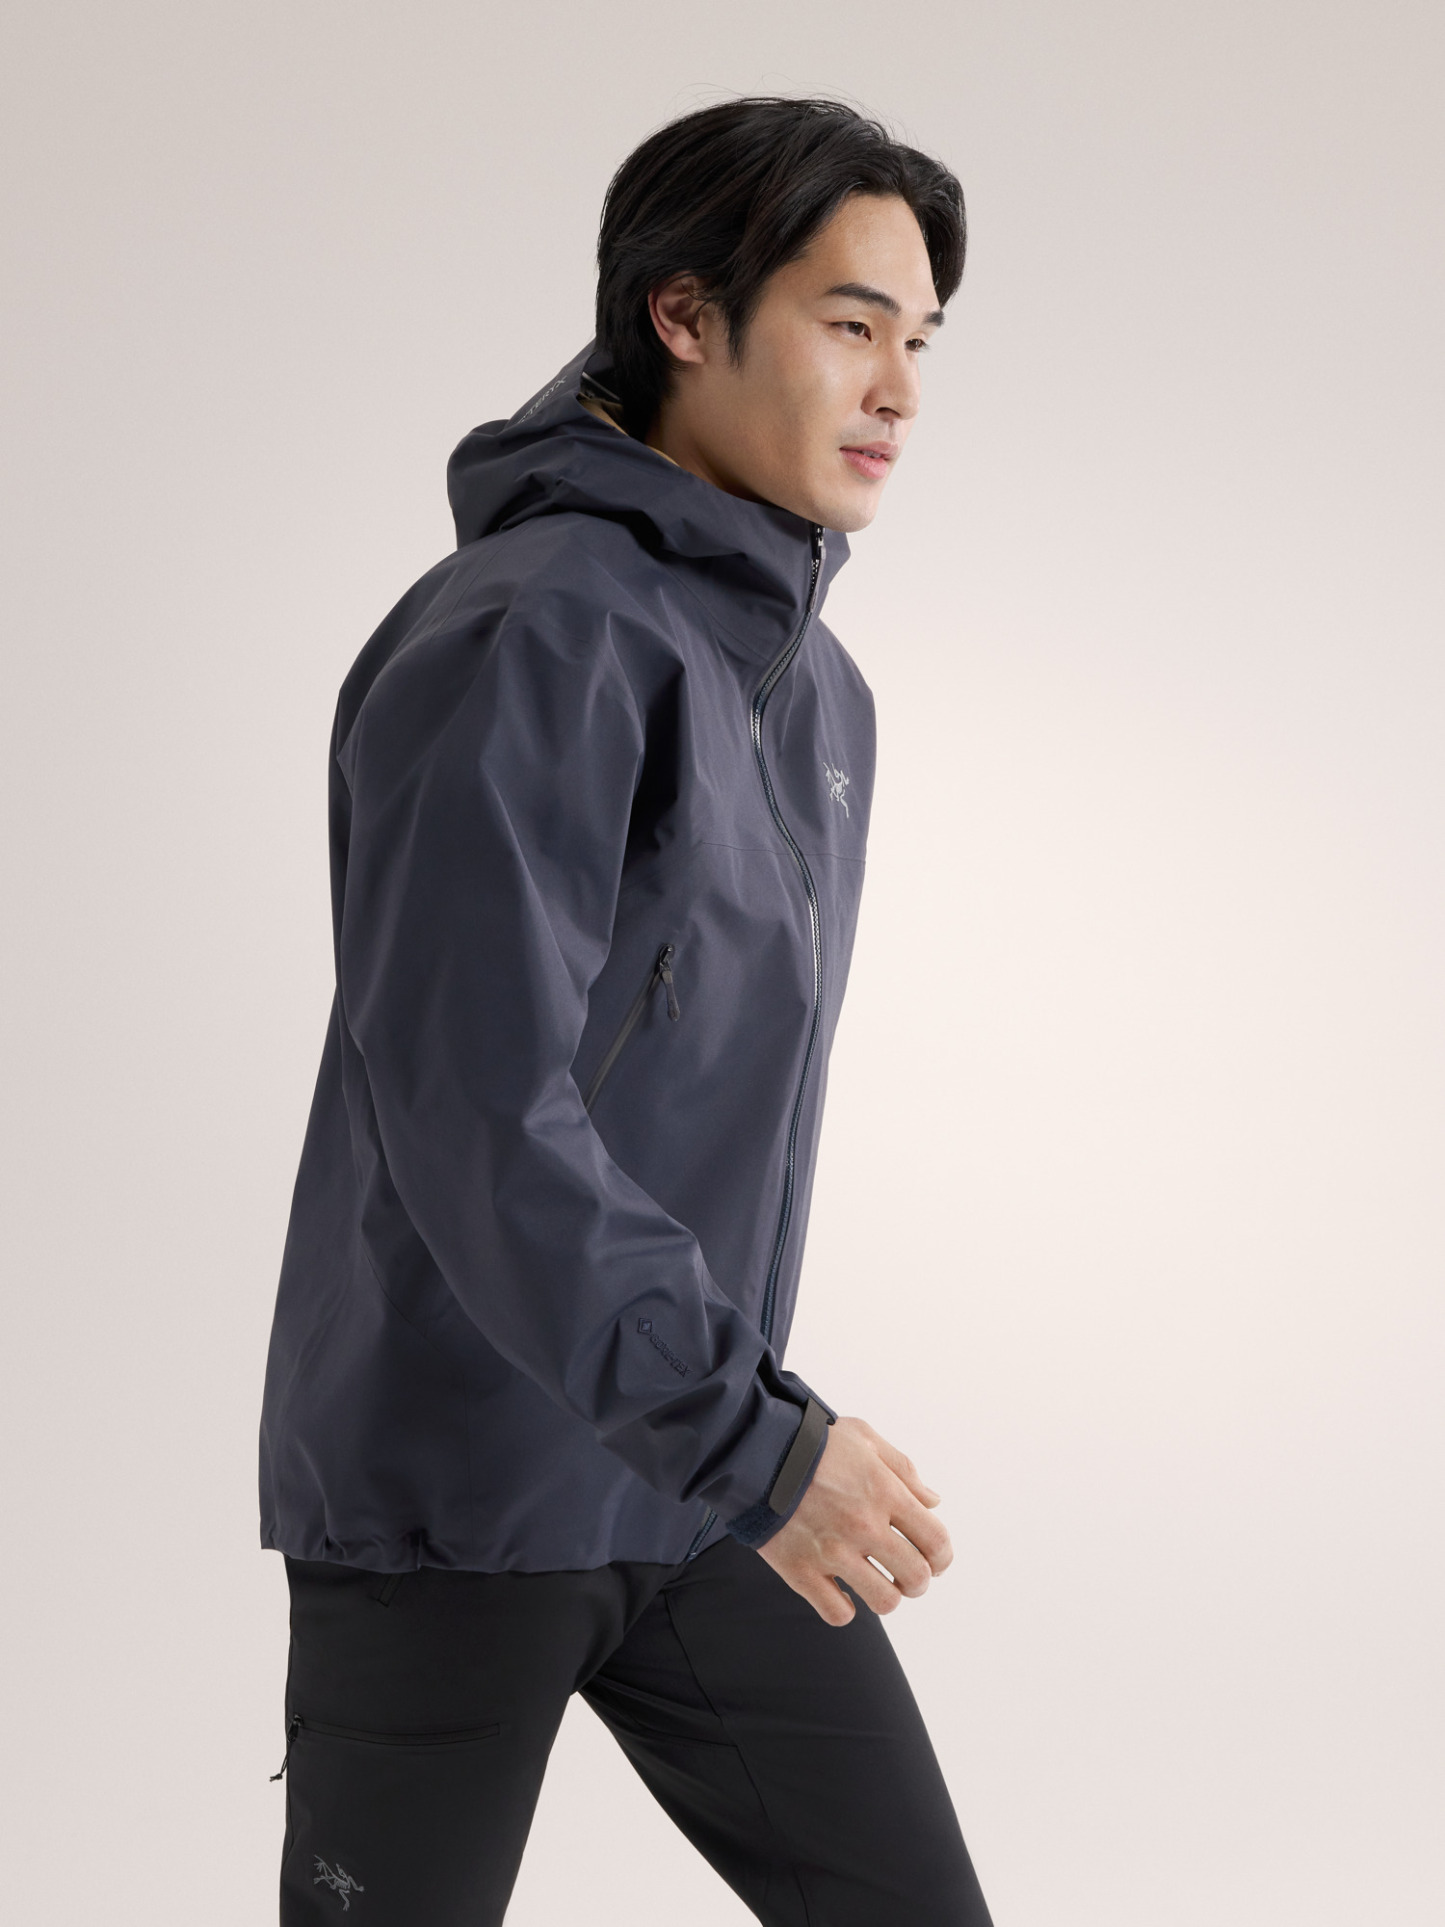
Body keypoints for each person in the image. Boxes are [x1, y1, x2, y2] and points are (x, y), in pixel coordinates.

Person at [259, 95, 993, 1925]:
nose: (898, 387)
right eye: (849, 323)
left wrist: (733, 1442)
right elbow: (476, 1110)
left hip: (691, 1480)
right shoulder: (530, 633)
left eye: (919, 339)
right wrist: (757, 1441)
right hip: (459, 1499)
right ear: (682, 316)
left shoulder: (814, 696)